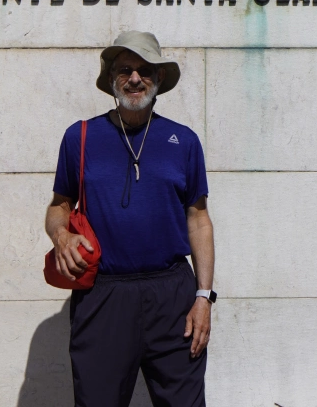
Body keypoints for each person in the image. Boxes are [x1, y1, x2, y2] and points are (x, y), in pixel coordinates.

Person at [46, 31, 215, 407]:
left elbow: (199, 220)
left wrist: (203, 297)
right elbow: (59, 205)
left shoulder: (183, 141)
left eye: (145, 70)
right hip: (103, 296)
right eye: (126, 70)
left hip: (173, 296)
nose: (135, 78)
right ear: (112, 80)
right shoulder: (80, 137)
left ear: (158, 79)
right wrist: (61, 236)